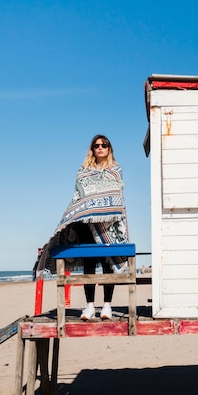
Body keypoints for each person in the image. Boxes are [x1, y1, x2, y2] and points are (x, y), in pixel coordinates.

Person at [75, 134, 130, 320]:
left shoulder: (116, 170)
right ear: (92, 149)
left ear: (109, 149)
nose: (100, 148)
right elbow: (79, 196)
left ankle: (107, 305)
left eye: (104, 145)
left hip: (108, 225)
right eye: (96, 145)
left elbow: (116, 194)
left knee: (108, 264)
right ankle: (89, 306)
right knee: (88, 266)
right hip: (88, 224)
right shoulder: (83, 171)